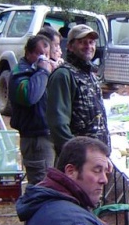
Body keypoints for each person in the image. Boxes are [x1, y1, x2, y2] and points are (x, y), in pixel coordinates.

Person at [46, 24, 110, 159]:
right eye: (82, 42)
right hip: (79, 162)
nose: (88, 46)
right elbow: (58, 125)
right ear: (70, 46)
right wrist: (79, 157)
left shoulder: (90, 75)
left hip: (96, 157)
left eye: (91, 42)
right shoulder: (63, 75)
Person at [9, 34, 55, 185]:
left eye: (47, 55)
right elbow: (30, 96)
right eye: (39, 54)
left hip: (47, 136)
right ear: (28, 53)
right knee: (40, 185)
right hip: (35, 140)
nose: (44, 59)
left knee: (50, 184)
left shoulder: (40, 71)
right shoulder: (20, 73)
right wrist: (43, 72)